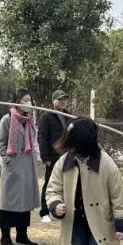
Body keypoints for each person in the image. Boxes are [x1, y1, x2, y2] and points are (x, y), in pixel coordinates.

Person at [0, 88, 42, 245]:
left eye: (30, 100)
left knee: (25, 201)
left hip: (27, 165)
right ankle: (5, 236)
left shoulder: (30, 119)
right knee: (10, 202)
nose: (28, 103)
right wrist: (8, 159)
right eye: (24, 100)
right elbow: (1, 142)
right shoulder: (7, 119)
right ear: (17, 102)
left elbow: (33, 140)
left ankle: (22, 235)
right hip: (14, 166)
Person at [38, 90, 72, 222]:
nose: (63, 102)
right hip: (52, 157)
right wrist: (45, 157)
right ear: (53, 101)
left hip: (67, 156)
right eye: (60, 99)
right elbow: (42, 137)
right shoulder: (46, 116)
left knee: (66, 182)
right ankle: (44, 212)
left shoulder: (69, 116)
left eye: (65, 99)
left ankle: (59, 209)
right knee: (49, 183)